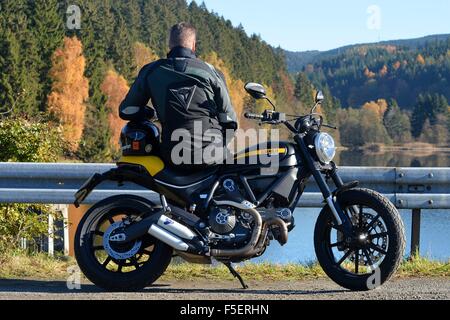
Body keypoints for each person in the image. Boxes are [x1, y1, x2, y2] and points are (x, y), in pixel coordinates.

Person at [119, 22, 237, 169]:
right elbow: (230, 120)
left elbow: (126, 111)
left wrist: (151, 113)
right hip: (212, 155)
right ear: (194, 45)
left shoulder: (151, 71)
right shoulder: (212, 72)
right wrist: (221, 145)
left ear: (169, 44)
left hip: (173, 155)